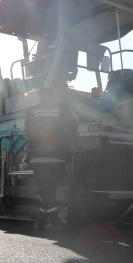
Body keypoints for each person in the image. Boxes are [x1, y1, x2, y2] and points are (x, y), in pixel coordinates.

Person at [24, 88, 78, 230]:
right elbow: (73, 125)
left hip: (37, 156)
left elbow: (28, 131)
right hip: (58, 156)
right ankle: (42, 221)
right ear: (52, 96)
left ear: (39, 96)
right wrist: (70, 141)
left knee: (45, 190)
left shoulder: (30, 110)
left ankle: (52, 221)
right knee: (50, 190)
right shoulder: (62, 108)